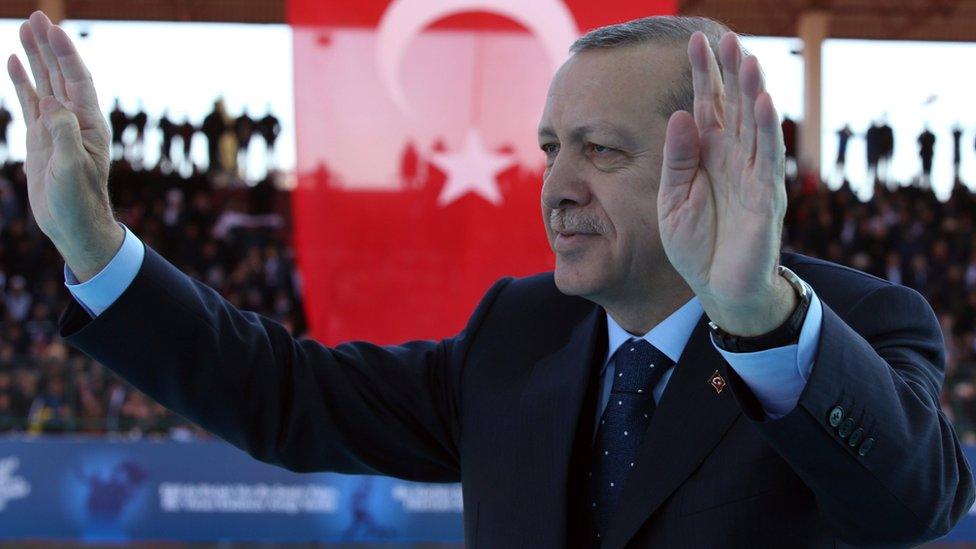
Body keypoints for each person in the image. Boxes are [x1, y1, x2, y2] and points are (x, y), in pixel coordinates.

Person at [7, 10, 974, 548]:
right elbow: (285, 394)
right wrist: (96, 245)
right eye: (551, 147)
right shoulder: (518, 331)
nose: (555, 186)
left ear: (720, 163)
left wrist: (757, 316)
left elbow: (913, 502)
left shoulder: (854, 322)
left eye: (601, 150)